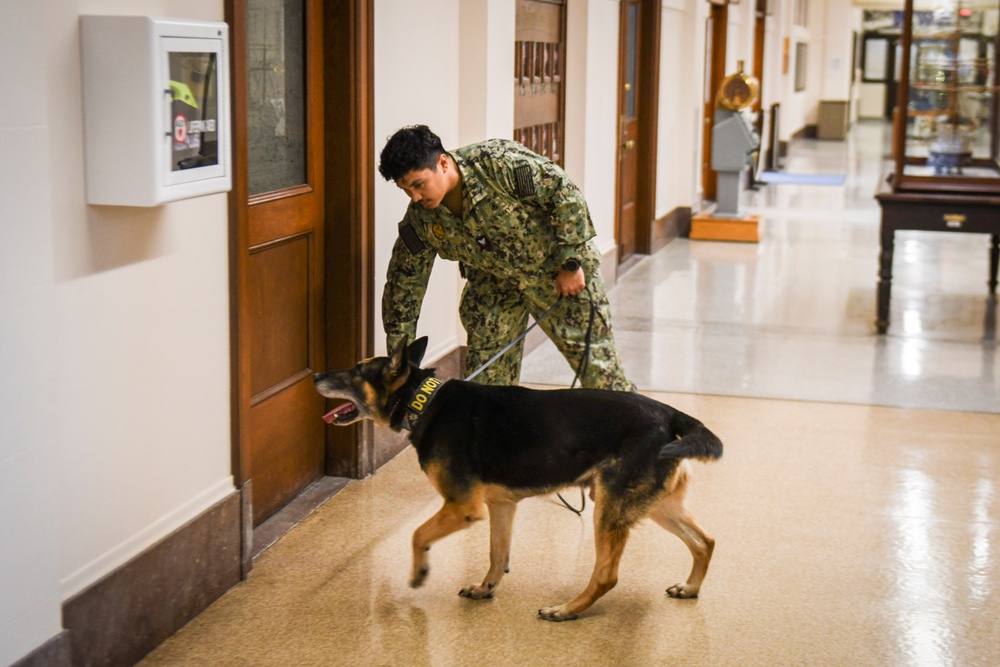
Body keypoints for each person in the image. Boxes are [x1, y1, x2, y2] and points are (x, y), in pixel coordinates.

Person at [379, 124, 633, 391]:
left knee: (600, 375)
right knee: (486, 392)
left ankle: (641, 429)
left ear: (442, 163)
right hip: (495, 289)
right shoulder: (420, 219)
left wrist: (571, 262)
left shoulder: (499, 166)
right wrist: (399, 358)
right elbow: (404, 281)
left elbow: (562, 193)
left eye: (419, 185)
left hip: (558, 274)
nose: (416, 197)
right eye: (406, 190)